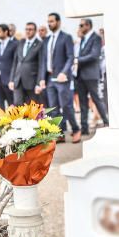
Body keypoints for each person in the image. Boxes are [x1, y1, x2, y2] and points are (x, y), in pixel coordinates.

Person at [37, 13, 79, 141]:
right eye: (48, 21)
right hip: (50, 79)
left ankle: (76, 129)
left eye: (52, 21)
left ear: (58, 22)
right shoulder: (47, 40)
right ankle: (59, 133)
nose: (50, 24)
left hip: (62, 78)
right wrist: (42, 78)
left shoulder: (66, 38)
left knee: (66, 106)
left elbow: (70, 57)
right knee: (53, 108)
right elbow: (44, 61)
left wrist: (64, 72)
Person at [73, 18, 108, 136]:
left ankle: (106, 122)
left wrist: (77, 60)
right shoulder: (82, 39)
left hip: (91, 75)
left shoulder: (96, 38)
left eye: (81, 25)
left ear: (88, 25)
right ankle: (84, 128)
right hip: (80, 75)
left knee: (96, 99)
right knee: (83, 102)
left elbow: (94, 55)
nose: (80, 27)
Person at [9, 22, 43, 105]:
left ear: (35, 31)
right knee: (17, 105)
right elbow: (15, 62)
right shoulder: (21, 42)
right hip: (18, 80)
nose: (28, 31)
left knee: (32, 107)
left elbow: (41, 65)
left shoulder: (40, 44)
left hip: (31, 81)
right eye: (26, 29)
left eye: (30, 29)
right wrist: (11, 79)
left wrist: (39, 83)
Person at [0, 24, 17, 108]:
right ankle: (2, 121)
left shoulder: (14, 44)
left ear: (6, 32)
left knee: (12, 105)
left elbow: (15, 63)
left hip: (9, 79)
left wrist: (13, 79)